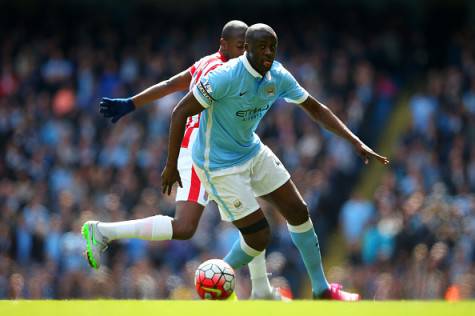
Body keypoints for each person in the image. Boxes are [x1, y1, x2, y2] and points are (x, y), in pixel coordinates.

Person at [162, 23, 390, 300]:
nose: (269, 52)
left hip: (250, 150)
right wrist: (171, 165)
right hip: (217, 164)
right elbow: (180, 111)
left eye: (273, 46)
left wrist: (355, 141)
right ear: (246, 49)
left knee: (298, 210)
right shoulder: (225, 77)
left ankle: (322, 290)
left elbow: (316, 109)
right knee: (259, 237)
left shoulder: (278, 76)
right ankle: (211, 279)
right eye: (262, 47)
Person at [82, 20, 287, 300]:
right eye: (242, 46)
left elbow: (170, 84)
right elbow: (182, 107)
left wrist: (131, 103)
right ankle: (102, 231)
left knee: (245, 216)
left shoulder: (206, 63)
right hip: (200, 153)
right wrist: (171, 161)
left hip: (218, 152)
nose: (246, 52)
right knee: (185, 226)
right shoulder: (222, 71)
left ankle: (261, 289)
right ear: (223, 44)